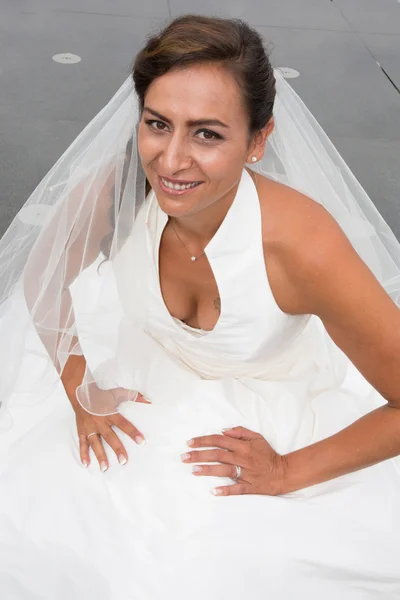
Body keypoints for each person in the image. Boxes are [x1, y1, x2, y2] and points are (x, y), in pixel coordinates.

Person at [0, 13, 400, 599]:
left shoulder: (303, 247)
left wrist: (288, 471)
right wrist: (80, 389)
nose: (170, 160)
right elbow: (43, 275)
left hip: (262, 415)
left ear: (258, 140)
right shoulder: (119, 189)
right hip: (143, 385)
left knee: (194, 568)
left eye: (207, 133)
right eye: (158, 124)